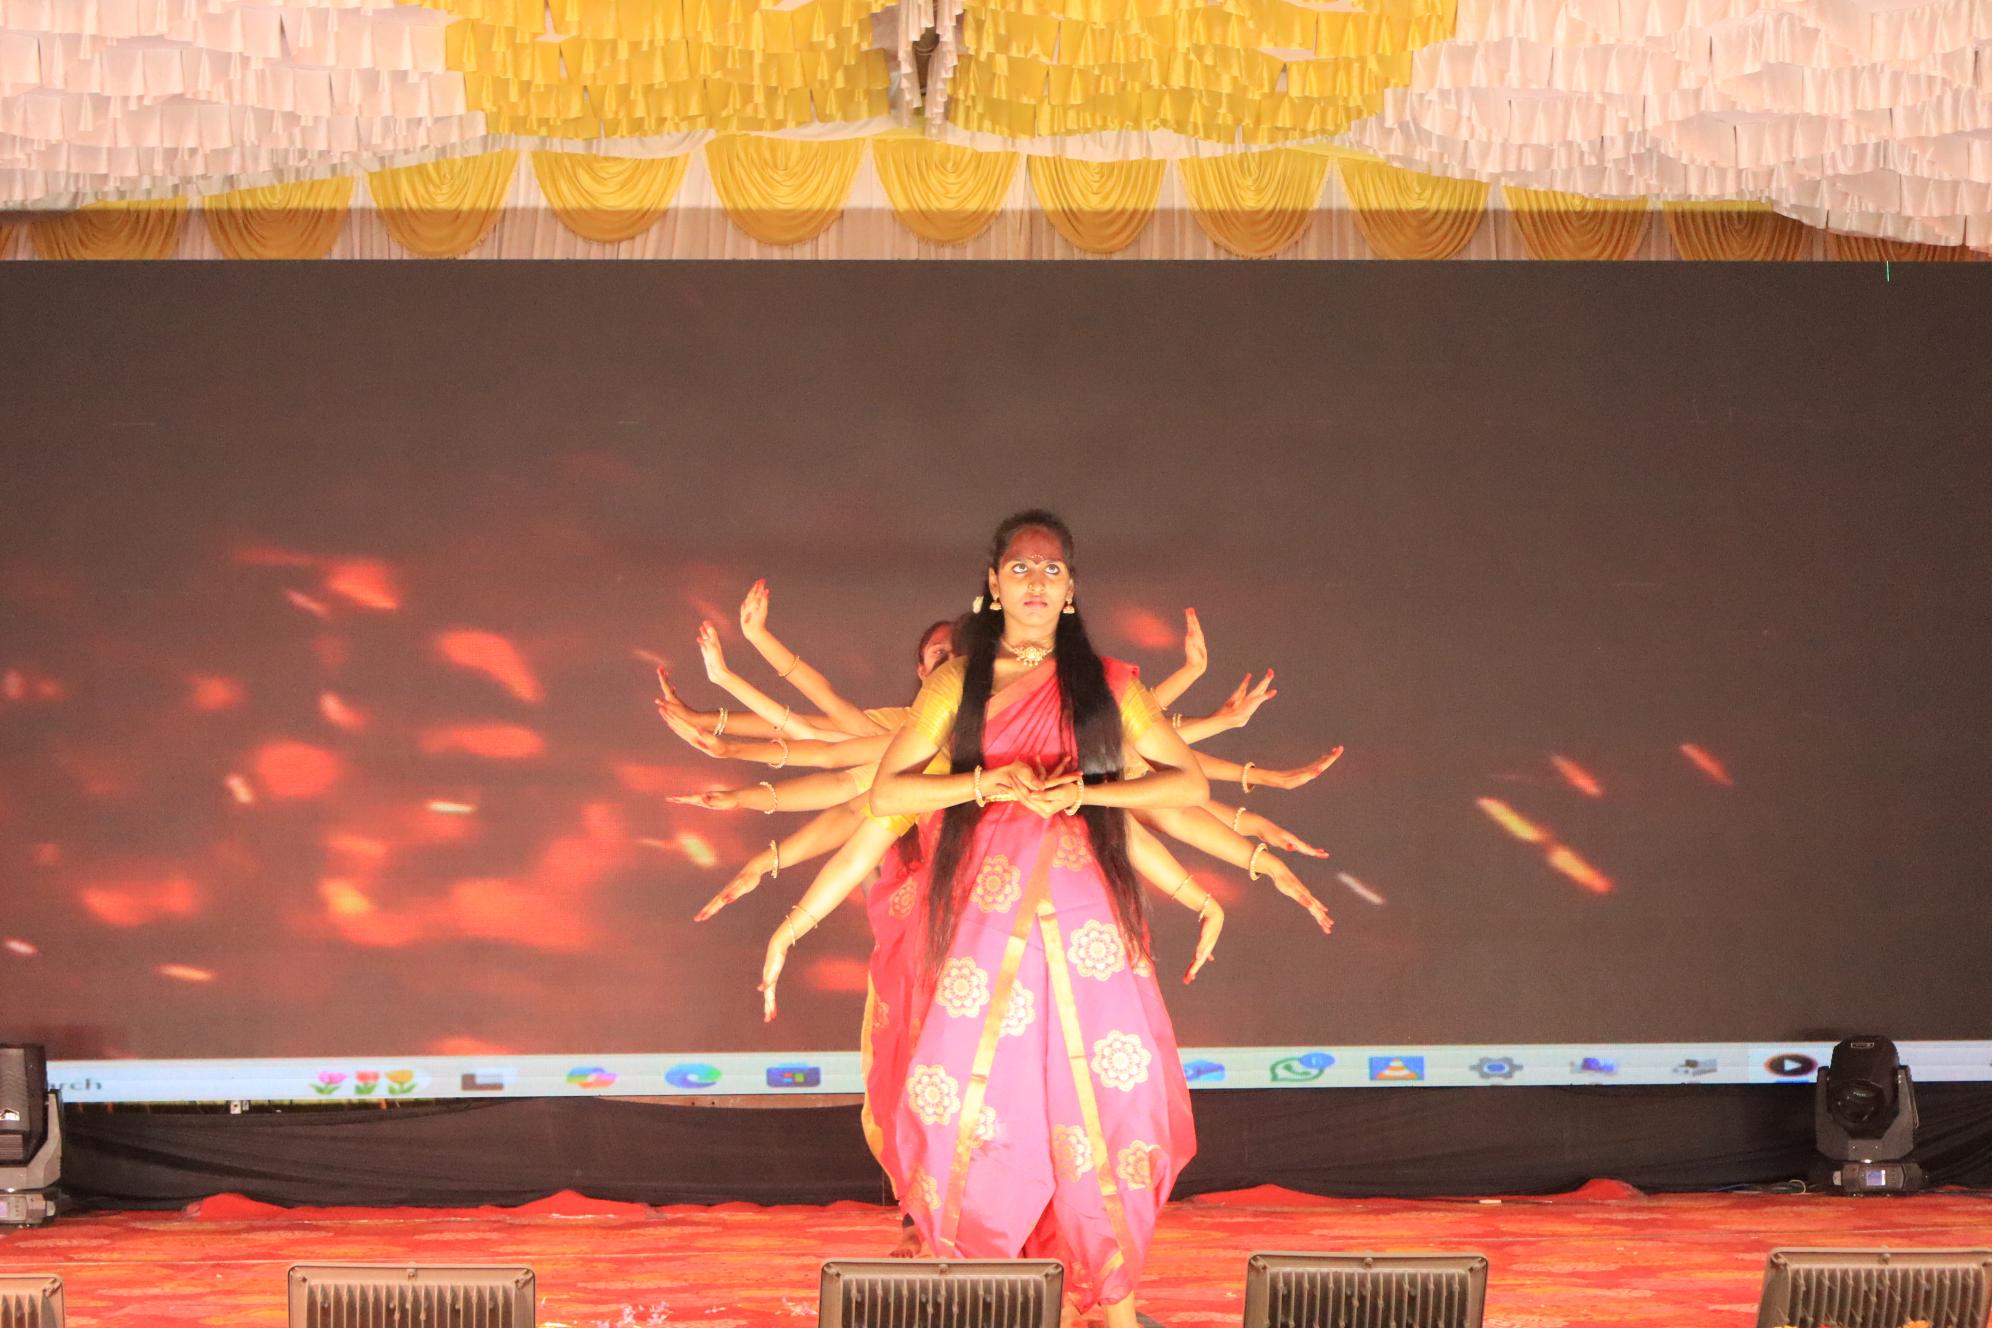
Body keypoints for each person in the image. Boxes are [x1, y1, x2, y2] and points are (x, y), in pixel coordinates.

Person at [764, 510, 1242, 1326]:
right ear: (993, 585)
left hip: (1088, 920)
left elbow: (1187, 782)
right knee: (975, 1103)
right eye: (1020, 568)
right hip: (984, 923)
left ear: (1072, 588)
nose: (1036, 582)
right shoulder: (958, 684)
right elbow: (889, 791)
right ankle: (991, 1289)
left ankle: (1114, 1302)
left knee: (1112, 1096)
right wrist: (985, 783)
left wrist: (1088, 791)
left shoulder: (1107, 683)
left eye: (1052, 570)